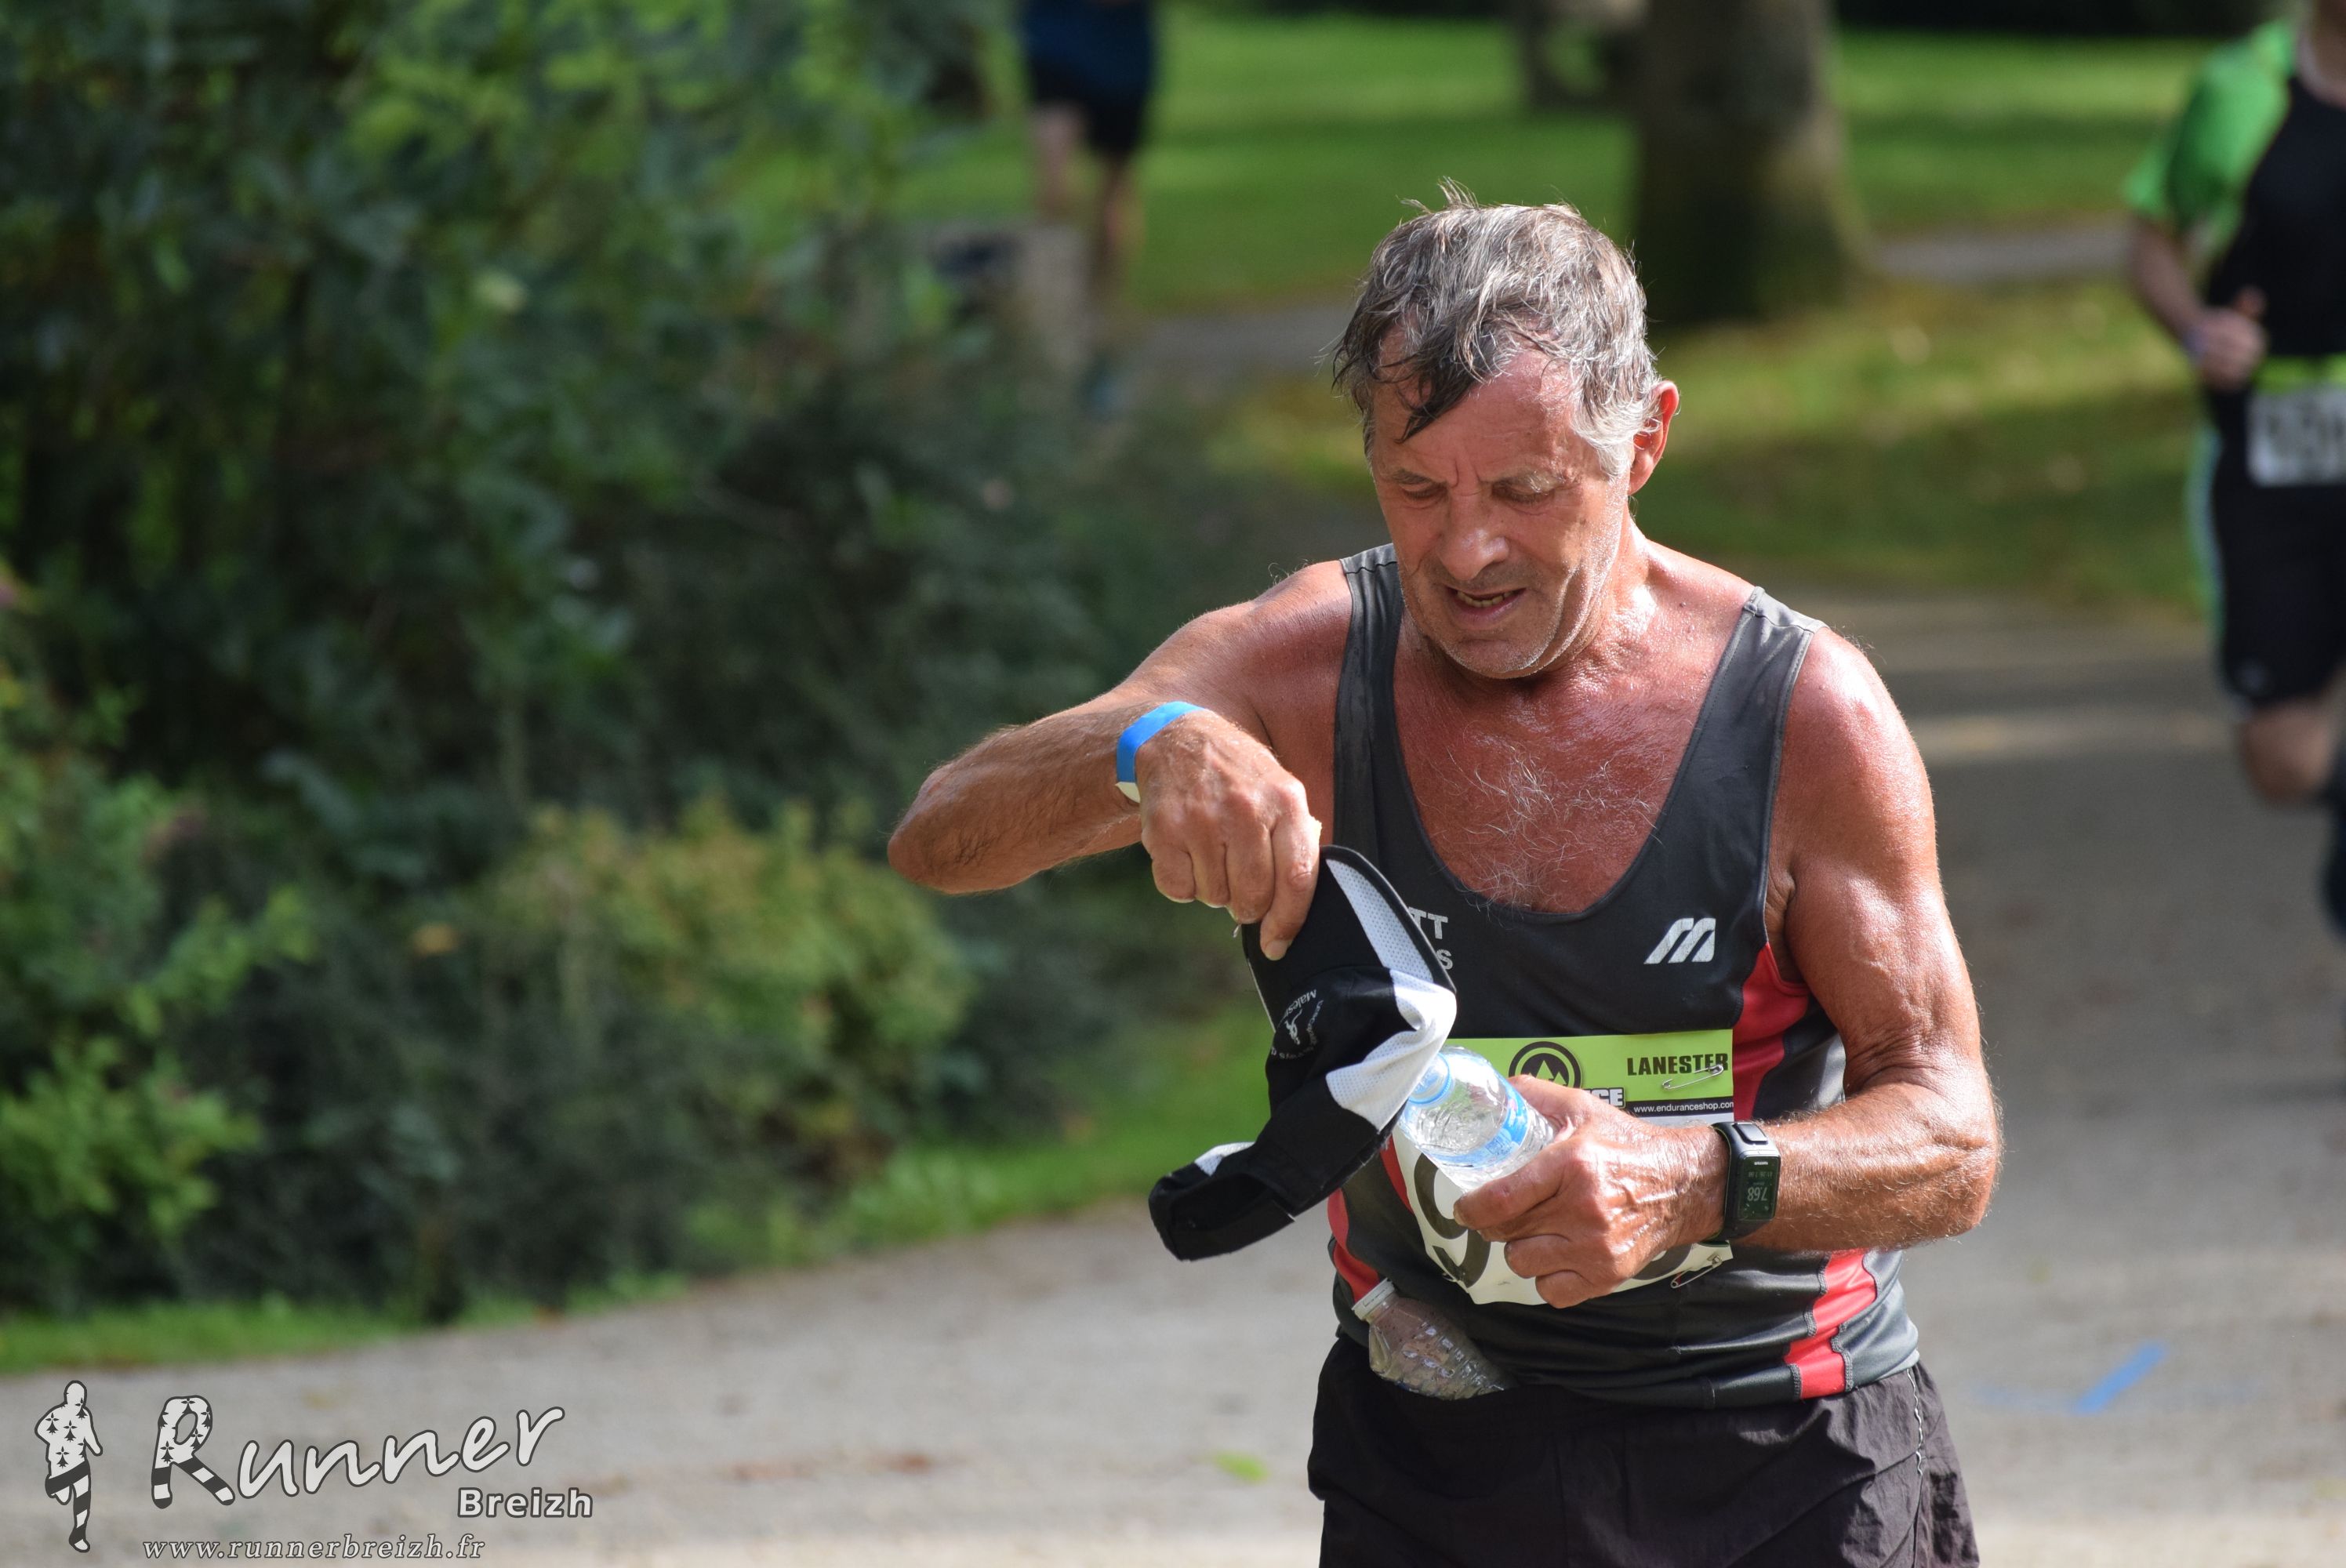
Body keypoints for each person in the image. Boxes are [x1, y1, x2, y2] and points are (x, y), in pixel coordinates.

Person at [891, 191, 1996, 1566]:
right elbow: (943, 836)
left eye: (1525, 490)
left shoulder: (1802, 713)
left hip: (1783, 1457)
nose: (1466, 551)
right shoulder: (1306, 666)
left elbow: (1952, 1139)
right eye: (1417, 488)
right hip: (1431, 1462)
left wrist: (1693, 1179)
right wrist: (1146, 746)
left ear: (1644, 440)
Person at [2126, 2, 2346, 924]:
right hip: (2268, 449)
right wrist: (2196, 329)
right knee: (2282, 758)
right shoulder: (2240, 89)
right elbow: (2151, 240)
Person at [1019, 0, 1157, 314]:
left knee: (1113, 193)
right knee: (1055, 188)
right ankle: (1055, 306)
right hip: (1055, 44)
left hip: (1122, 55)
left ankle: (1100, 304)